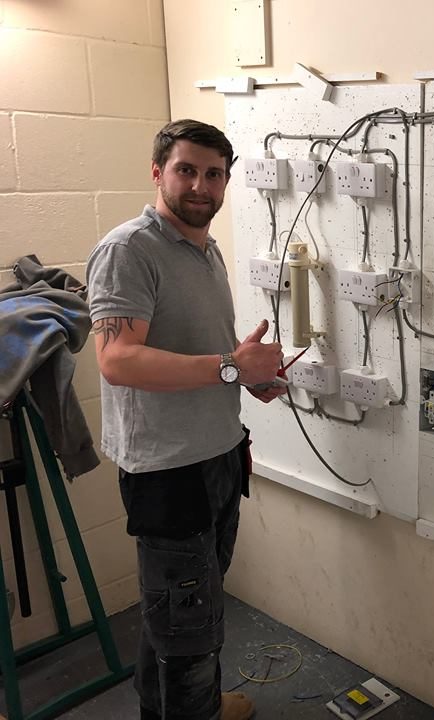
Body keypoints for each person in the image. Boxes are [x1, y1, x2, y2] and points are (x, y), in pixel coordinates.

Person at [86, 119, 284, 720]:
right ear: (158, 172)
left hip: (218, 456)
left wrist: (247, 375)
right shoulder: (128, 250)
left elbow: (201, 356)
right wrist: (231, 366)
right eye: (186, 170)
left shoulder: (205, 249)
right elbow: (117, 361)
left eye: (214, 174)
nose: (201, 186)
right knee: (188, 629)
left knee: (181, 614)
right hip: (168, 472)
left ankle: (183, 707)